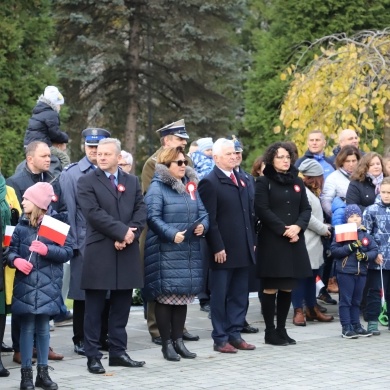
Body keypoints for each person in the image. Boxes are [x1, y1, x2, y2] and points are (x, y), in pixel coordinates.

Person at [77, 137, 147, 374]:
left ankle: (118, 352)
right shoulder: (86, 181)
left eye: (107, 154)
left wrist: (129, 235)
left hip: (125, 249)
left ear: (119, 157)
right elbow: (93, 214)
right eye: (99, 153)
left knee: (121, 305)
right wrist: (121, 231)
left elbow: (141, 209)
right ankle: (93, 356)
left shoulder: (132, 181)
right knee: (95, 308)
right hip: (100, 250)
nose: (101, 157)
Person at [144, 147, 208, 361]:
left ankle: (179, 341)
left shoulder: (191, 187)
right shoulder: (157, 188)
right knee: (166, 299)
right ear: (167, 165)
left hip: (187, 249)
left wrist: (203, 227)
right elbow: (152, 217)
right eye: (178, 162)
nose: (183, 166)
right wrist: (171, 234)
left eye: (184, 162)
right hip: (166, 250)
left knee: (182, 298)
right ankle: (166, 344)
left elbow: (203, 212)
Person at [6, 182, 73, 390]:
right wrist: (15, 260)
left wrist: (47, 250)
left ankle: (42, 374)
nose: (22, 201)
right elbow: (9, 252)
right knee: (26, 328)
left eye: (26, 198)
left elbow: (68, 252)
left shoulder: (56, 226)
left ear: (37, 203)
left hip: (48, 287)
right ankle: (26, 376)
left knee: (43, 329)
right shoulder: (20, 227)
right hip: (25, 286)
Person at [6, 141, 66, 363]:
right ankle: (19, 348)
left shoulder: (53, 181)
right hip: (25, 260)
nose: (49, 159)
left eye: (50, 155)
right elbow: (14, 225)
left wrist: (49, 248)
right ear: (30, 159)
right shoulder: (16, 182)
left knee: (41, 319)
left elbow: (61, 215)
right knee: (24, 313)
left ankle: (42, 352)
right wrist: (16, 257)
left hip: (47, 268)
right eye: (44, 155)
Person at [141, 119, 199, 345]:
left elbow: (193, 193)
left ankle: (178, 327)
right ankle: (157, 329)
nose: (184, 143)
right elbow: (152, 197)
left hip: (184, 228)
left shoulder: (188, 160)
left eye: (184, 139)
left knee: (180, 280)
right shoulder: (152, 163)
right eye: (179, 139)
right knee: (160, 280)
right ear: (166, 141)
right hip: (162, 230)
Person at [198, 138, 256, 353]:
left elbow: (248, 215)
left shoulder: (241, 178)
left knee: (239, 295)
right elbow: (209, 219)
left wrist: (253, 243)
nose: (234, 156)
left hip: (243, 247)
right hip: (222, 250)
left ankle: (235, 334)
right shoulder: (210, 182)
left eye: (235, 153)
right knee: (220, 296)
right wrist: (217, 246)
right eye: (229, 154)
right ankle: (220, 338)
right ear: (215, 157)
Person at [59, 128, 111, 356]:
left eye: (98, 147)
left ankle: (102, 337)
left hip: (108, 241)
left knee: (107, 291)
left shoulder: (111, 171)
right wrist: (73, 244)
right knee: (82, 293)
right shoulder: (71, 174)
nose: (94, 151)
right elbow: (68, 211)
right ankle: (80, 338)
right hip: (83, 241)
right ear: (84, 147)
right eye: (90, 147)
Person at [255, 141, 312, 346]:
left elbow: (306, 209)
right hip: (273, 242)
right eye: (280, 157)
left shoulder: (297, 181)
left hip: (294, 240)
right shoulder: (263, 182)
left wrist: (298, 227)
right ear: (271, 159)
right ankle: (270, 332)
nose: (285, 160)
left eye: (287, 157)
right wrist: (284, 230)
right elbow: (262, 209)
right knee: (271, 287)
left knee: (287, 287)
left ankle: (282, 330)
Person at [292, 160, 334, 326]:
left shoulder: (310, 191)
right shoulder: (301, 191)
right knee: (301, 278)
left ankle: (311, 308)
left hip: (313, 242)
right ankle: (298, 310)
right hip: (305, 241)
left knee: (311, 277)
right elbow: (307, 217)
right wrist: (324, 228)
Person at [319, 145, 361, 299]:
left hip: (360, 223)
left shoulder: (361, 176)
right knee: (344, 259)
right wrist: (338, 216)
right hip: (341, 223)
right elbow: (326, 200)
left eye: (354, 160)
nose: (351, 164)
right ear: (341, 161)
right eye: (347, 161)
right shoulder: (334, 178)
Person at [331, 204, 377, 338]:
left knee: (357, 301)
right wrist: (350, 247)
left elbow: (374, 250)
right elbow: (334, 251)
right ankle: (346, 326)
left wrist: (365, 256)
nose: (355, 219)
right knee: (346, 300)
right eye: (351, 216)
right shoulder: (341, 234)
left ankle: (356, 324)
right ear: (346, 219)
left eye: (358, 216)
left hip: (361, 272)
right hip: (346, 272)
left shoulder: (365, 234)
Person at [0, 173, 22, 377]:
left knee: (1, 309)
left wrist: (10, 245)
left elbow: (17, 221)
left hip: (3, 257)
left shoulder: (7, 190)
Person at [363, 177, 390, 335]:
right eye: (384, 192)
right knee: (375, 290)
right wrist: (374, 253)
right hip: (378, 259)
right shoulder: (371, 210)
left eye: (389, 192)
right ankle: (372, 321)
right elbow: (366, 234)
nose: (386, 195)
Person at [23, 86, 69, 177]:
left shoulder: (38, 111)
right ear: (54, 103)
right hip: (40, 144)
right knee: (64, 157)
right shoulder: (51, 114)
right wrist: (65, 137)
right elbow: (55, 134)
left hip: (28, 144)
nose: (60, 107)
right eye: (59, 104)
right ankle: (65, 178)